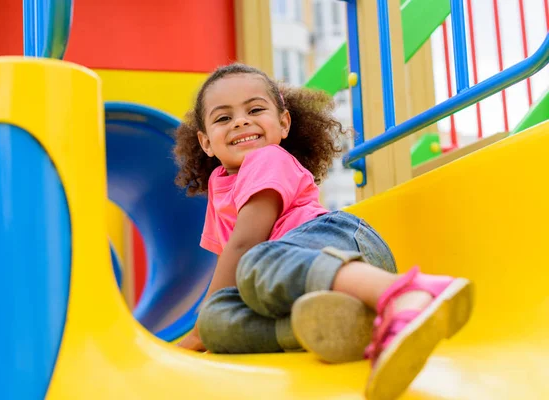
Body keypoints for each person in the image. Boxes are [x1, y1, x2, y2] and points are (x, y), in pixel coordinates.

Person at [173, 63, 473, 399]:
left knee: (256, 264)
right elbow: (225, 265)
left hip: (339, 243)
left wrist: (194, 336)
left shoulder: (267, 159)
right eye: (223, 118)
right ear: (206, 141)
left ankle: (404, 291)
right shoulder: (219, 186)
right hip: (306, 281)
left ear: (283, 123)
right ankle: (342, 326)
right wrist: (207, 325)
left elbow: (243, 244)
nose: (241, 121)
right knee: (219, 320)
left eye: (255, 109)